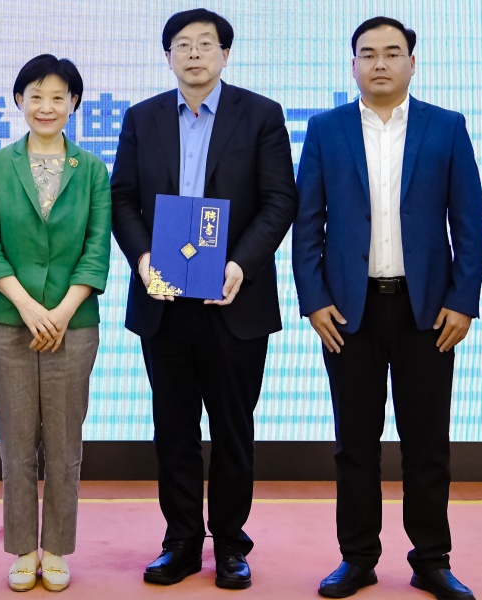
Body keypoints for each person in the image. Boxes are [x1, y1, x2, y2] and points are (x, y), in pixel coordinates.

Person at [292, 16, 482, 600]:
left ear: (411, 63)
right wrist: (314, 300)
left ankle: (431, 560)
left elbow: (469, 223)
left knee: (427, 444)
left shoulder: (446, 127)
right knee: (354, 443)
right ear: (352, 64)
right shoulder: (325, 129)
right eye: (368, 53)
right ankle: (357, 558)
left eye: (392, 52)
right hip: (348, 313)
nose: (380, 63)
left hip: (426, 311)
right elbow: (307, 224)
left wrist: (462, 301)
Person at [109, 7, 298, 591]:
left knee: (233, 430)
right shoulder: (142, 118)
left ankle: (232, 545)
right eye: (183, 45)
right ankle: (182, 542)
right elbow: (122, 199)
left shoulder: (261, 115)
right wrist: (143, 260)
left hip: (235, 301)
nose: (194, 53)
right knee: (174, 430)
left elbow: (280, 201)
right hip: (163, 302)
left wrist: (239, 265)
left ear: (225, 54)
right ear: (168, 56)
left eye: (206, 44)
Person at [0, 54, 111, 593]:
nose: (46, 106)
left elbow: (97, 248)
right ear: (19, 101)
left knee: (64, 445)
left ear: (74, 103)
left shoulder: (92, 169)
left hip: (74, 324)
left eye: (57, 97)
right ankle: (23, 549)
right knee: (16, 443)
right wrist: (29, 307)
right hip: (9, 321)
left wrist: (62, 310)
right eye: (35, 96)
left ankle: (55, 549)